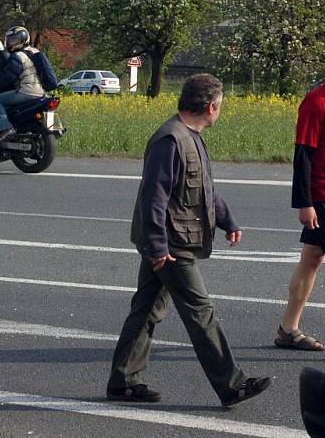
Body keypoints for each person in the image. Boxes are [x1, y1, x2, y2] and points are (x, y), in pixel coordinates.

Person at [106, 74, 272, 406]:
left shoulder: (190, 136)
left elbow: (204, 188)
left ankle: (123, 380)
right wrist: (157, 247)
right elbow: (154, 197)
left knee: (147, 309)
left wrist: (227, 220)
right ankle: (232, 385)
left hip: (173, 239)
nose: (220, 112)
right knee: (200, 311)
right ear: (211, 107)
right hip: (170, 244)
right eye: (220, 107)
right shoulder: (170, 139)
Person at [274, 52, 325, 351]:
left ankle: (288, 329)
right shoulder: (317, 100)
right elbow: (303, 154)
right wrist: (305, 202)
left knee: (312, 257)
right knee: (312, 259)